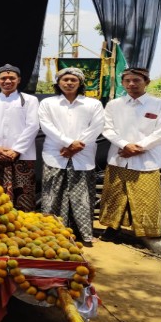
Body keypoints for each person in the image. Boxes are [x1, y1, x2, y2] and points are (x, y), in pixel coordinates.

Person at [99, 67, 161, 241]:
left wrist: (139, 147)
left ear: (146, 82)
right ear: (123, 83)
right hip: (119, 157)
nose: (131, 84)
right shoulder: (114, 105)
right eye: (127, 81)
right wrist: (125, 145)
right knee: (115, 195)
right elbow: (107, 129)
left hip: (146, 160)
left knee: (146, 197)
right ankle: (112, 228)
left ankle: (147, 233)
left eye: (136, 80)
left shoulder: (160, 104)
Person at [38, 67, 104, 246]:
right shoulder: (48, 103)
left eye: (73, 80)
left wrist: (75, 147)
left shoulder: (93, 104)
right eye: (65, 79)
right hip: (55, 153)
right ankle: (51, 232)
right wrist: (68, 143)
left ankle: (82, 235)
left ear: (80, 83)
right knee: (52, 195)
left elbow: (97, 127)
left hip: (83, 154)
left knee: (81, 196)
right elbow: (46, 126)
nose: (68, 83)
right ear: (58, 83)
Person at [0, 64, 40, 212]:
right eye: (4, 78)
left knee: (23, 193)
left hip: (22, 155)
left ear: (18, 80)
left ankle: (25, 225)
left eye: (12, 78)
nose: (7, 81)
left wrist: (17, 149)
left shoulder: (29, 100)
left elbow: (32, 126)